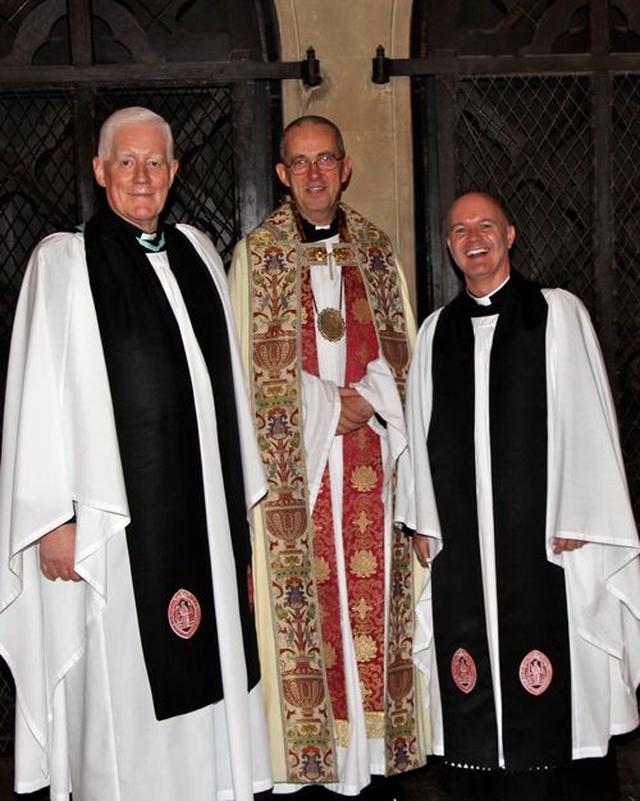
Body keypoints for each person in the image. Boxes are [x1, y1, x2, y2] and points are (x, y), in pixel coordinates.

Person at [0, 107, 272, 801]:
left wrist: (235, 538)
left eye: (156, 162)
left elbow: (227, 399)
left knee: (208, 671)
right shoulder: (63, 261)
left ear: (176, 173)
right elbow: (37, 395)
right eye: (127, 162)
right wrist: (53, 517)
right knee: (125, 682)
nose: (142, 177)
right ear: (99, 171)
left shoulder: (199, 252)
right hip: (113, 530)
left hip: (203, 521)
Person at [395, 191, 640, 800]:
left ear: (510, 235)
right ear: (449, 246)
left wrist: (582, 508)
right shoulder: (434, 333)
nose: (472, 237)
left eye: (485, 225)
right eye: (458, 230)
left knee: (561, 703)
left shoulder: (557, 314)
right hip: (466, 553)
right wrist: (424, 522)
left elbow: (588, 415)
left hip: (549, 540)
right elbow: (420, 435)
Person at [228, 115, 425, 797]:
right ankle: (310, 771)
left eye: (326, 160)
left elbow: (405, 359)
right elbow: (247, 374)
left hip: (371, 466)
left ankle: (370, 764)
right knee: (306, 614)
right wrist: (324, 404)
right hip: (300, 480)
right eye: (299, 163)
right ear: (281, 175)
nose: (314, 174)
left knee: (368, 615)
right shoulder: (256, 257)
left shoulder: (375, 250)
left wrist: (367, 399)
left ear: (345, 168)